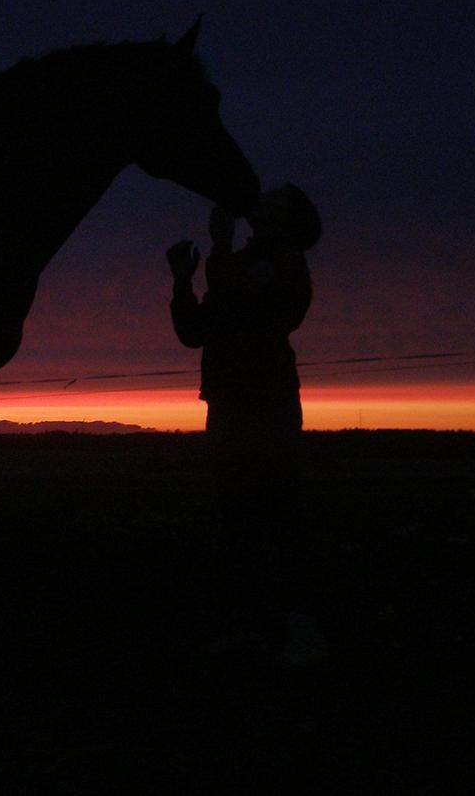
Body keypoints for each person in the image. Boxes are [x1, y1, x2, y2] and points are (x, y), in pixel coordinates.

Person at [166, 185, 326, 665]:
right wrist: (181, 283)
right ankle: (254, 626)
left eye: (275, 205)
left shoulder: (286, 265)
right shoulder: (244, 263)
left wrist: (217, 249)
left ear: (289, 223)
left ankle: (301, 627)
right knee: (240, 518)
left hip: (266, 402)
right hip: (229, 402)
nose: (261, 205)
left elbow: (238, 296)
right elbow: (195, 333)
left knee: (278, 513)